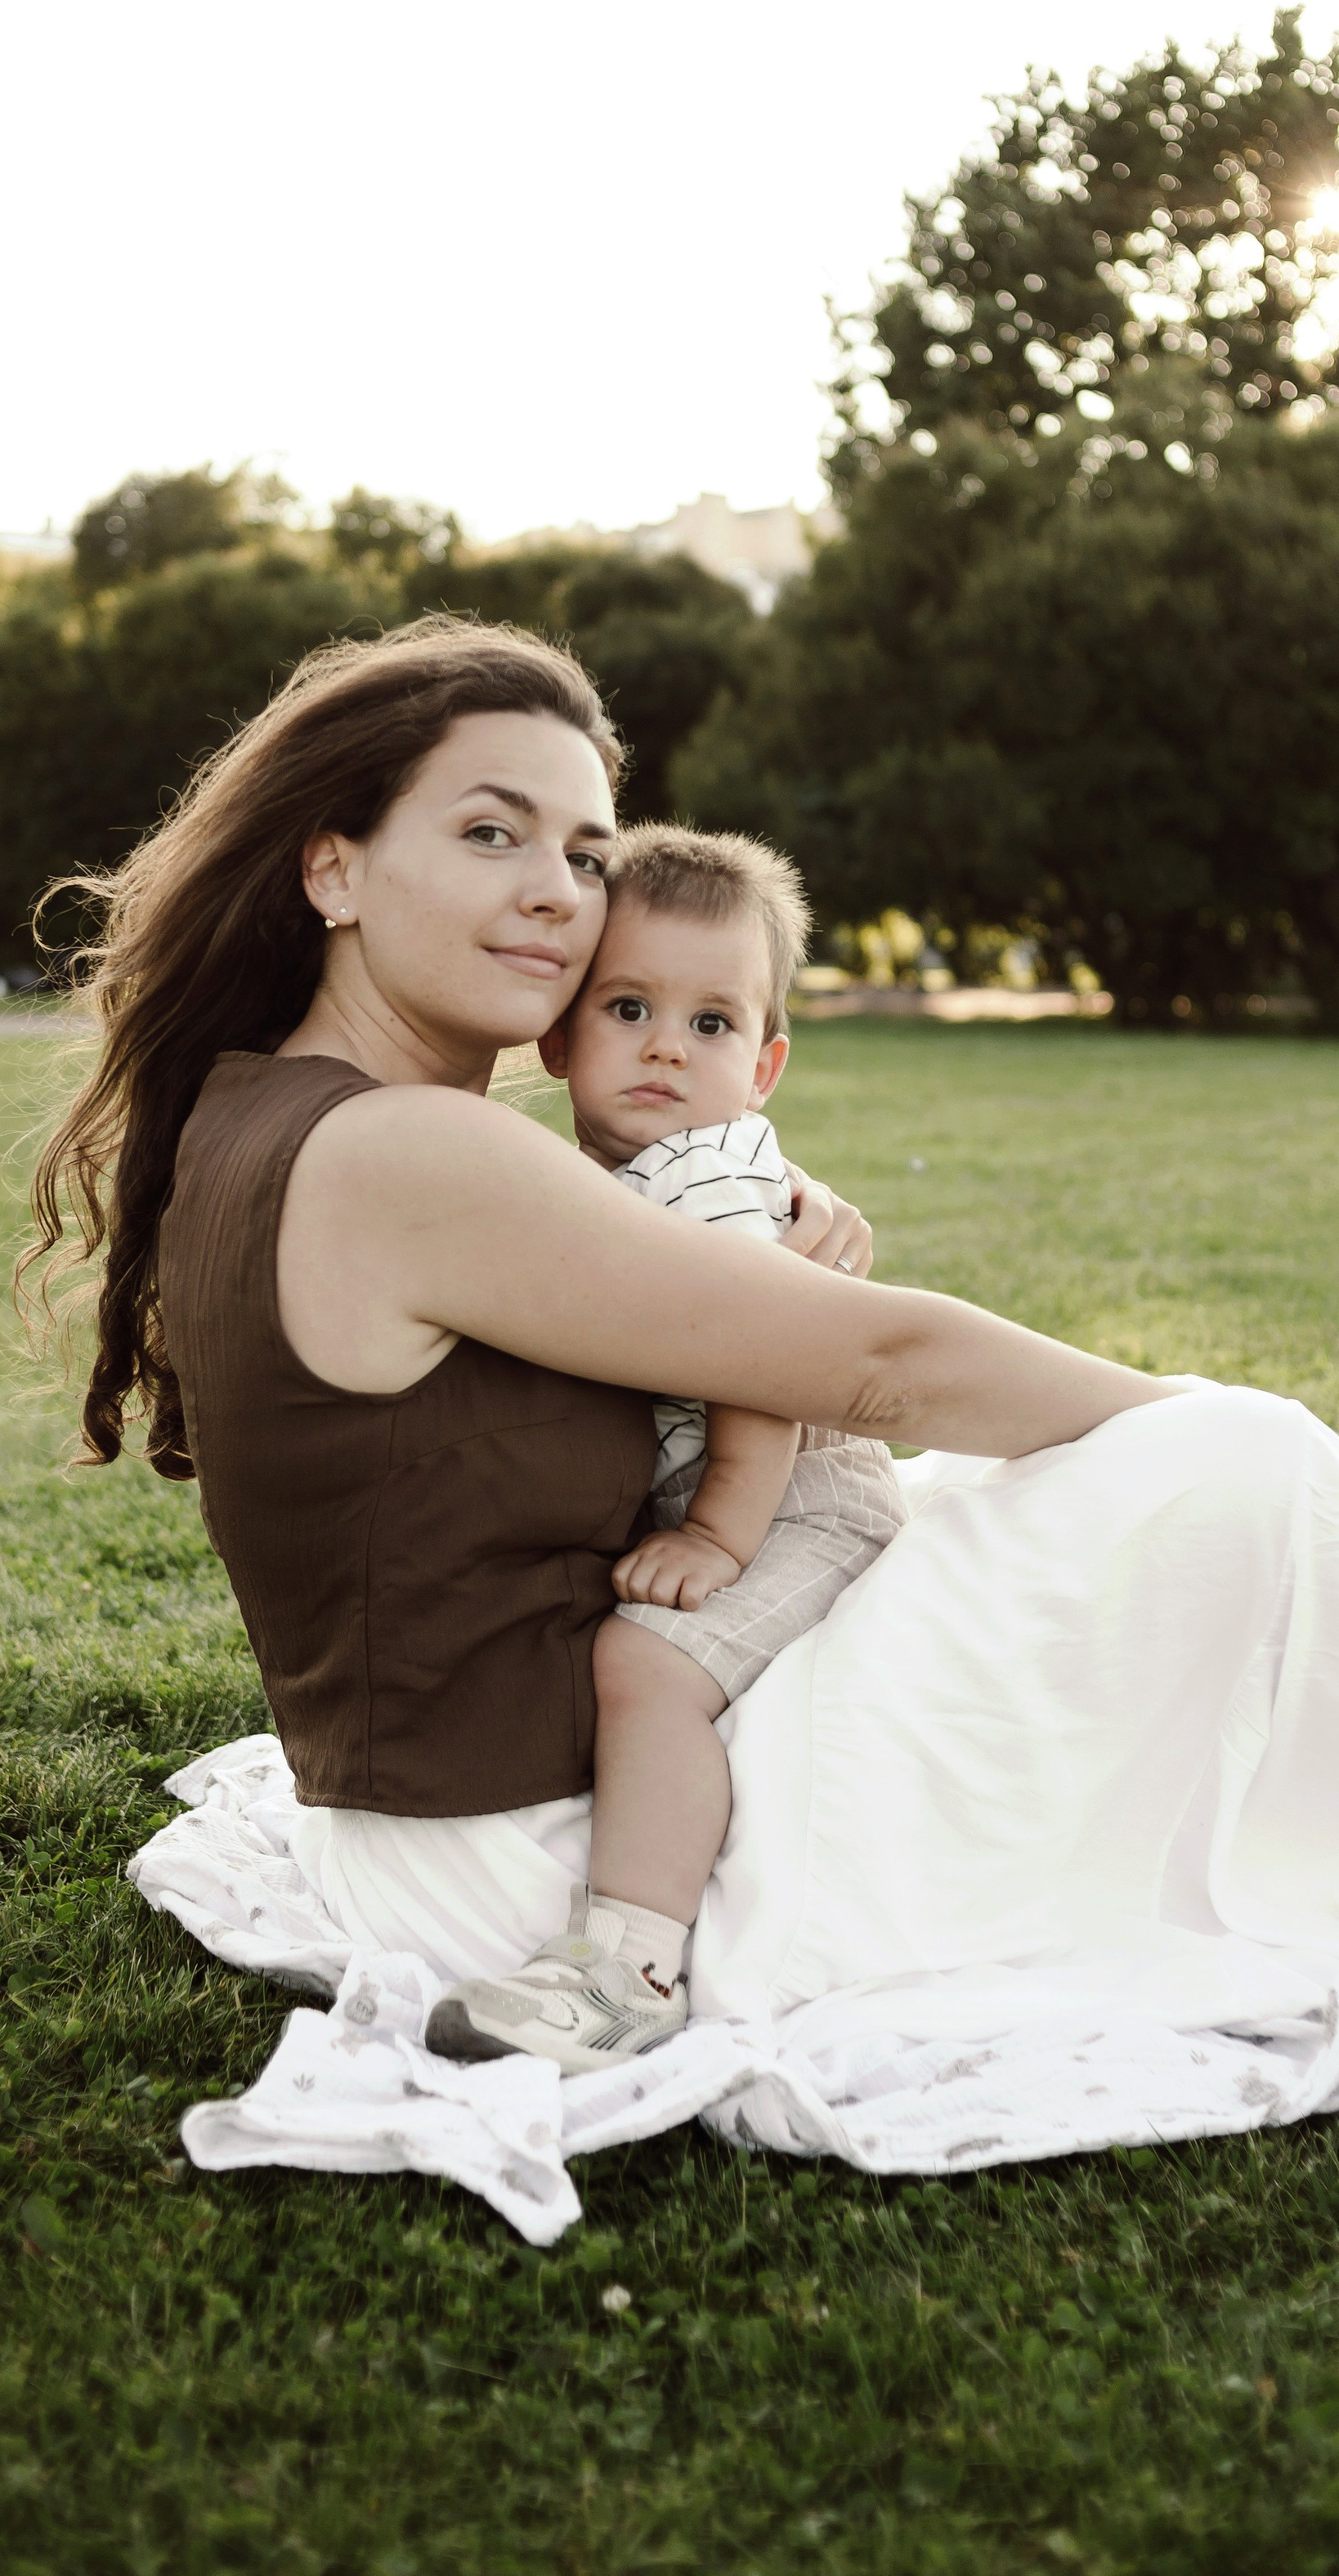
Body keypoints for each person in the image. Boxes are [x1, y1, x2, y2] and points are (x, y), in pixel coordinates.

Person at [26, 616, 1339, 2164]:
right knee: (1234, 1459)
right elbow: (879, 1361)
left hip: (482, 1809)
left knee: (1045, 1507)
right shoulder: (410, 1151)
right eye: (489, 834)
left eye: (580, 845)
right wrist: (1182, 1443)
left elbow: (686, 1339)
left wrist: (738, 1234)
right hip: (565, 1873)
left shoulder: (284, 1112)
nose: (556, 888)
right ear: (330, 870)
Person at [423, 823, 907, 2072]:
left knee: (644, 1668)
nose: (663, 1047)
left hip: (799, 1489)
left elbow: (768, 1366)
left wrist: (716, 1533)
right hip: (733, 1475)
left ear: (765, 1064)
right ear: (559, 1037)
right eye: (628, 1006)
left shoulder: (699, 1174)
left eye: (711, 1025)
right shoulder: (615, 1174)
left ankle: (628, 1969)